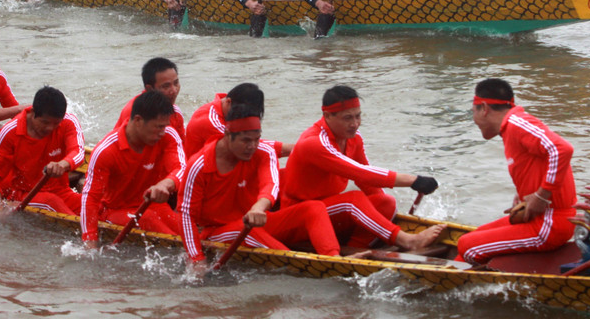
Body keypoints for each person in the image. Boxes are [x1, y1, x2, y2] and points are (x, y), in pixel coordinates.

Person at [178, 104, 341, 272]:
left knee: (313, 208)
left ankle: (334, 258)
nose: (252, 146)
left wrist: (259, 207)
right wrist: (197, 259)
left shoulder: (263, 152)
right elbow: (186, 216)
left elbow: (270, 185)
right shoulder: (199, 165)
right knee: (250, 232)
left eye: (257, 139)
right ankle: (300, 266)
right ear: (227, 135)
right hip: (216, 232)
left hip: (255, 221)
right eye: (246, 140)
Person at [281, 85, 445, 250]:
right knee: (353, 199)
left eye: (358, 116)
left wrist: (382, 215)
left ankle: (355, 250)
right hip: (299, 218)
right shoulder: (314, 143)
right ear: (327, 116)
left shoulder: (353, 138)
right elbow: (362, 173)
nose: (355, 124)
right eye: (347, 118)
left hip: (327, 212)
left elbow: (368, 185)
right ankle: (407, 241)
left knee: (386, 202)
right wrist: (413, 180)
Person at [456, 78, 577, 263]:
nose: (474, 120)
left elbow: (561, 149)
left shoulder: (516, 122)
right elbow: (538, 162)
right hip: (538, 217)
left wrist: (542, 196)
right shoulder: (510, 127)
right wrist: (524, 194)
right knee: (472, 237)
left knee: (467, 246)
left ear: (484, 108)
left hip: (551, 223)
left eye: (473, 112)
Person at [81, 90, 184, 247]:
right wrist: (90, 241)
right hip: (114, 211)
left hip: (153, 206)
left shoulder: (168, 135)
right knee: (158, 228)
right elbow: (90, 198)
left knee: (184, 229)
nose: (163, 132)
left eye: (165, 126)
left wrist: (166, 183)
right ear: (138, 120)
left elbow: (182, 169)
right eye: (158, 127)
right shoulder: (106, 150)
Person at [0, 86, 85, 216]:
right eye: (45, 122)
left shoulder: (69, 121)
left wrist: (63, 164)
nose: (50, 128)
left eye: (56, 124)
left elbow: (78, 152)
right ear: (32, 112)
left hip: (60, 191)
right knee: (51, 202)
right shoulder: (11, 130)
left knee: (91, 205)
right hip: (25, 194)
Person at [184, 82, 291, 159]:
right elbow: (245, 144)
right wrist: (291, 149)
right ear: (228, 102)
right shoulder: (209, 122)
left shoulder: (224, 105)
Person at [114, 57, 186, 140]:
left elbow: (182, 146)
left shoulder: (176, 112)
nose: (174, 90)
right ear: (149, 89)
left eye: (176, 83)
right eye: (166, 86)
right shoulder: (133, 112)